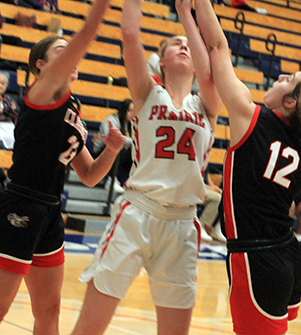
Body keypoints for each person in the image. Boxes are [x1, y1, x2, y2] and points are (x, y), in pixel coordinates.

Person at [70, 0, 222, 333]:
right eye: (175, 45)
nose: (184, 45)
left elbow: (210, 71)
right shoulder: (147, 92)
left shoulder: (207, 104)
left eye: (187, 43)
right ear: (162, 62)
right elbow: (129, 33)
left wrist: (186, 14)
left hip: (182, 224)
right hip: (136, 214)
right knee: (89, 326)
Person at [177, 0, 301, 334]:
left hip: (258, 260)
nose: (282, 75)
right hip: (289, 254)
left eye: (289, 79)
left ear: (290, 102)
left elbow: (217, 47)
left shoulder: (250, 116)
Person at [0, 0, 125, 333]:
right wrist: (100, 9)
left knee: (50, 311)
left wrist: (111, 150)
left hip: (51, 212)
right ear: (41, 65)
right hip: (20, 204)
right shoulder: (41, 92)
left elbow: (89, 174)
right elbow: (85, 35)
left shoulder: (72, 106)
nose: (70, 51)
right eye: (61, 49)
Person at [94, 98, 134, 191]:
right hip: (100, 153)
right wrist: (133, 141)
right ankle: (111, 180)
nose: (133, 113)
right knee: (118, 147)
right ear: (124, 110)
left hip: (118, 154)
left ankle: (128, 181)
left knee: (134, 153)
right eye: (130, 111)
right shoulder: (111, 120)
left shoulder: (130, 124)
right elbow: (112, 139)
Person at [199, 167, 226, 243]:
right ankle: (202, 225)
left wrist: (214, 187)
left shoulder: (204, 160)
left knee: (226, 197)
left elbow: (206, 176)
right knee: (217, 198)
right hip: (196, 190)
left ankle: (217, 226)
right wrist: (210, 188)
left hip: (205, 188)